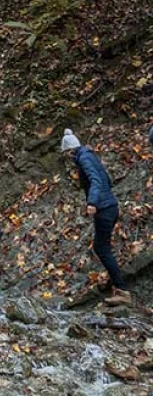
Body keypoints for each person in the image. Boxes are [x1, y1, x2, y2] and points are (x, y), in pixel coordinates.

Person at [61, 128, 130, 306]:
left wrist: (92, 202)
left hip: (104, 209)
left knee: (101, 248)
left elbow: (96, 180)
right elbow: (106, 179)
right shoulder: (90, 155)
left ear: (70, 151)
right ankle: (117, 284)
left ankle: (122, 290)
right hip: (110, 206)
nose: (67, 158)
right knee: (102, 246)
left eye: (66, 154)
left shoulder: (83, 158)